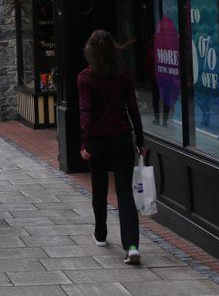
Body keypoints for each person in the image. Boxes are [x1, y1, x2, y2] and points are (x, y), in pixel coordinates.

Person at [78, 29, 145, 265]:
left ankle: (101, 233)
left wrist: (84, 142)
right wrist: (139, 138)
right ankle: (132, 246)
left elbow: (85, 112)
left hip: (98, 141)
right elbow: (132, 108)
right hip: (122, 138)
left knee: (99, 188)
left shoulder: (85, 78)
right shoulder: (123, 74)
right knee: (125, 193)